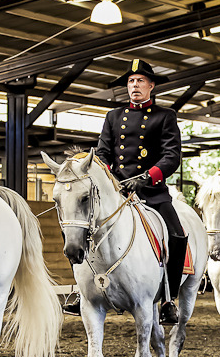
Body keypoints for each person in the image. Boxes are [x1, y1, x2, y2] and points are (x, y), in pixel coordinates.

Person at [64, 58, 185, 325]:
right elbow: (103, 152)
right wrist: (108, 175)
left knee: (177, 234)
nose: (135, 85)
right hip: (116, 192)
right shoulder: (114, 116)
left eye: (140, 81)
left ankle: (168, 298)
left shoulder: (165, 116)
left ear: (151, 85)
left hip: (152, 193)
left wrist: (146, 177)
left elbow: (171, 156)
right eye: (131, 81)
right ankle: (79, 291)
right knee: (82, 228)